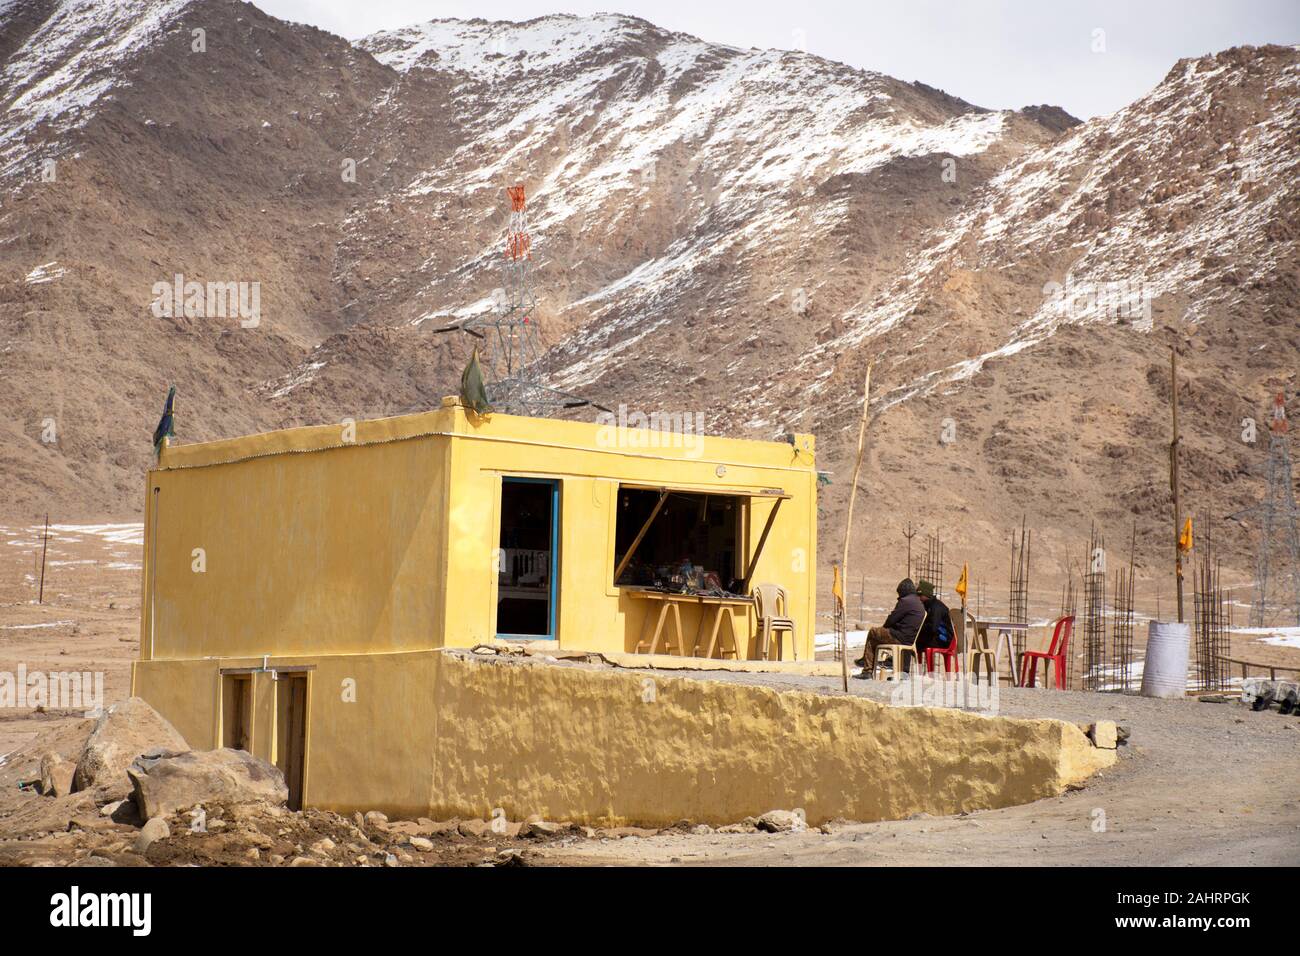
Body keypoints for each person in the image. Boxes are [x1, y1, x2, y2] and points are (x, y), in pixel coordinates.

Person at [855, 578, 925, 673]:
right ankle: (867, 662)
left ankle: (867, 669)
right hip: (909, 639)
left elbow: (891, 620)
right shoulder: (917, 602)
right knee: (875, 638)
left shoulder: (905, 601)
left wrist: (885, 628)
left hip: (899, 637)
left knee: (873, 632)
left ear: (903, 591)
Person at [914, 580, 953, 662]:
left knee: (913, 641)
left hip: (944, 640)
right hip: (935, 637)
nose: (918, 597)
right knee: (911, 640)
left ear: (926, 595)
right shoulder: (928, 605)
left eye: (920, 595)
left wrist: (919, 628)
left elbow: (933, 628)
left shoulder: (936, 607)